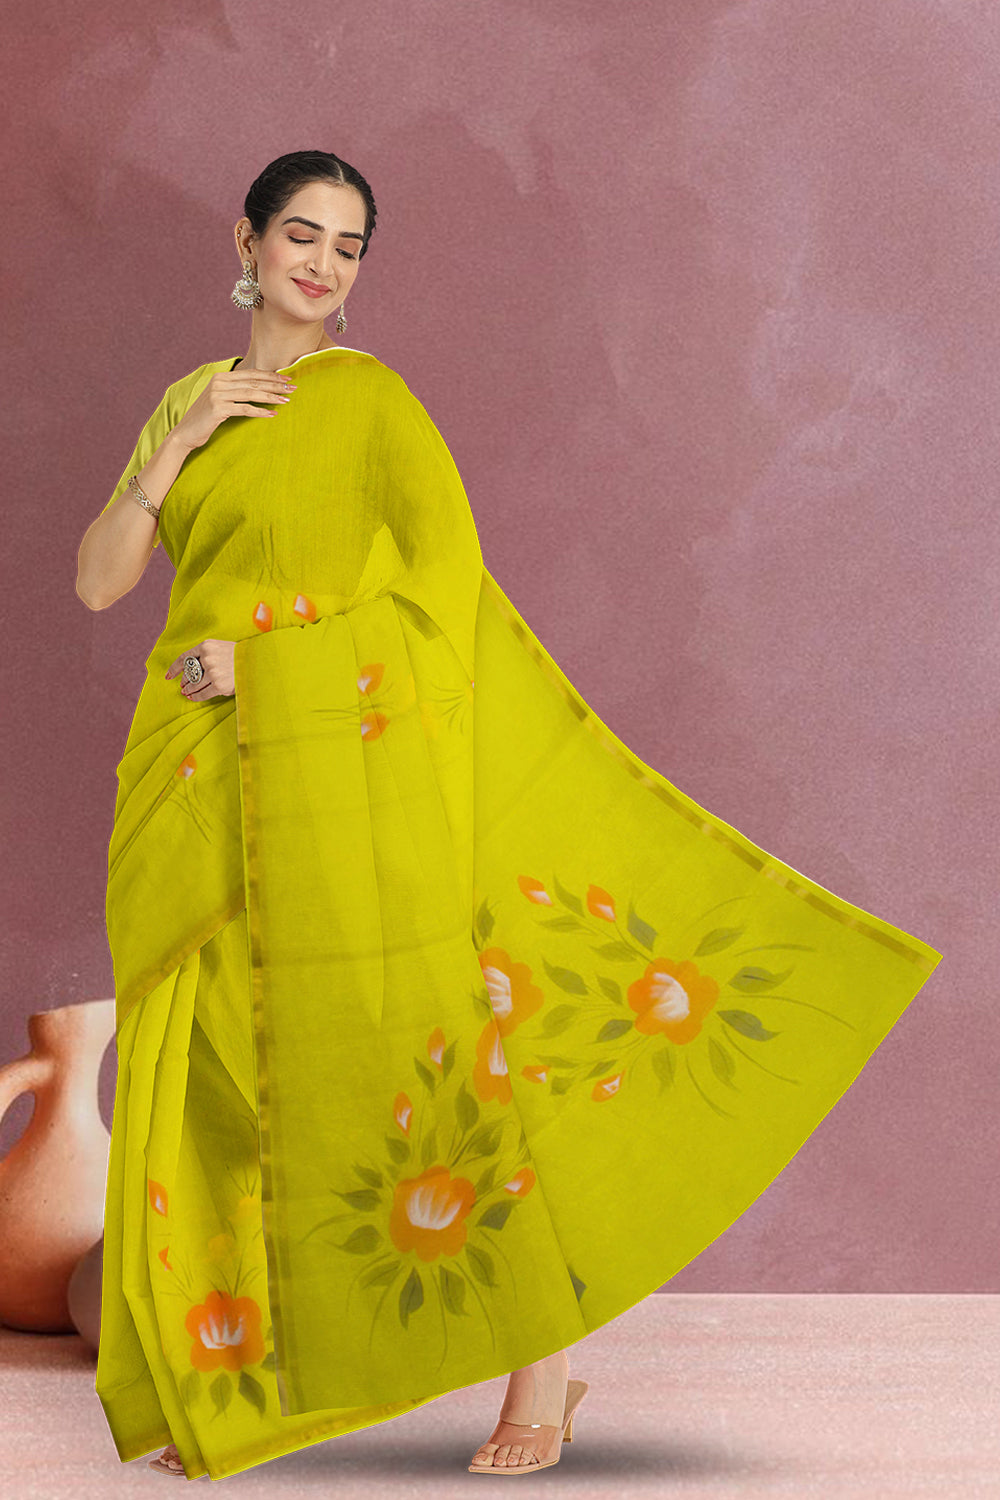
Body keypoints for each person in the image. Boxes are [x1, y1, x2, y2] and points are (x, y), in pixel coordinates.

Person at [79, 150, 942, 1483]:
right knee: (214, 1075)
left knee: (411, 1057)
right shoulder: (189, 402)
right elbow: (101, 582)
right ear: (246, 242)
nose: (321, 264)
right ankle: (241, 1380)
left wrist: (271, 669)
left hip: (329, 773)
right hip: (189, 776)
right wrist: (182, 443)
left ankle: (543, 1369)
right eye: (300, 234)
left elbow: (444, 599)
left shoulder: (373, 404)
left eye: (348, 246)